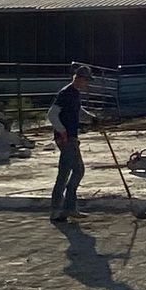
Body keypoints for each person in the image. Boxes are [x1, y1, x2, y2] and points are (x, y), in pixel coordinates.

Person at [49, 61, 93, 223]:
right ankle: (65, 208)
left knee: (66, 172)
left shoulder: (74, 93)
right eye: (86, 80)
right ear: (79, 78)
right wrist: (62, 131)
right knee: (77, 170)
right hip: (67, 138)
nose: (87, 83)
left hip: (71, 137)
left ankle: (64, 208)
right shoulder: (66, 93)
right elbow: (52, 114)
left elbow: (78, 111)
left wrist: (91, 119)